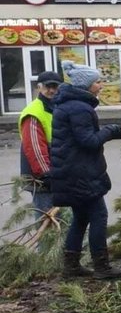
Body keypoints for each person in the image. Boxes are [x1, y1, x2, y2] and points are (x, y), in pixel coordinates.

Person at [50, 61, 121, 279]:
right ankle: (102, 267)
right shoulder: (79, 108)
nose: (101, 85)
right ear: (86, 86)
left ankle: (71, 266)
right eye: (97, 81)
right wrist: (112, 131)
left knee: (81, 218)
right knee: (98, 215)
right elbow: (89, 141)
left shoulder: (68, 105)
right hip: (80, 173)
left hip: (71, 172)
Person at [19, 71, 63, 220]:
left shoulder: (57, 107)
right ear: (39, 87)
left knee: (63, 224)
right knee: (48, 227)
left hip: (58, 177)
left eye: (55, 86)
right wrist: (47, 175)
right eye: (47, 86)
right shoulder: (33, 112)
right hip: (44, 181)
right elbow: (34, 149)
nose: (51, 90)